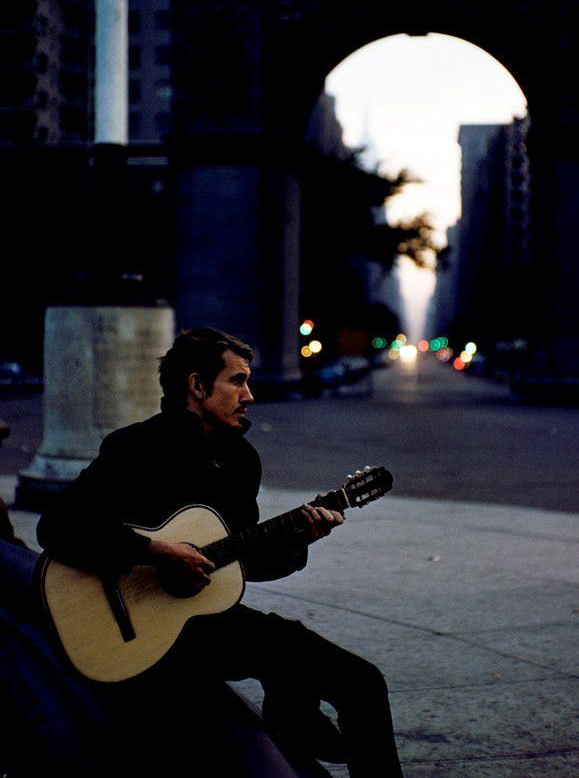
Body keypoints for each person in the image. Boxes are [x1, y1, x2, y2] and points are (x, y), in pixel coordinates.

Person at [37, 327, 403, 777]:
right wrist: (157, 551)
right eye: (237, 381)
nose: (249, 395)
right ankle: (293, 720)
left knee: (362, 681)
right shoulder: (136, 446)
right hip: (139, 630)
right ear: (196, 386)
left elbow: (246, 562)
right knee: (286, 657)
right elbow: (58, 526)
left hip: (203, 619)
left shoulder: (240, 459)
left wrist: (301, 537)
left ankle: (293, 720)